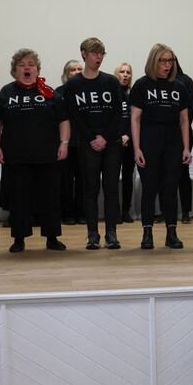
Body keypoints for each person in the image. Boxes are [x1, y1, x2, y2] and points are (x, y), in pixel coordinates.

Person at [0, 48, 69, 253]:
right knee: (19, 200)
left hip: (47, 156)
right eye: (22, 64)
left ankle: (52, 238)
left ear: (37, 69)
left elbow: (64, 120)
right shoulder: (5, 93)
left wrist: (64, 143)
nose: (27, 68)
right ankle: (19, 239)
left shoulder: (50, 93)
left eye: (31, 64)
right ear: (15, 70)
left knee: (49, 199)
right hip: (16, 157)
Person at [130, 43, 192, 249]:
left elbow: (185, 120)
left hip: (173, 143)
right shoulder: (141, 85)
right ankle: (147, 234)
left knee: (170, 188)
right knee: (149, 188)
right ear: (153, 62)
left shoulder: (179, 86)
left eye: (170, 61)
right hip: (149, 142)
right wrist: (137, 148)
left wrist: (186, 148)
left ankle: (171, 233)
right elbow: (135, 118)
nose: (167, 65)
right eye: (163, 61)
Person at [65, 38, 124, 249]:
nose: (98, 57)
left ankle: (111, 233)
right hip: (88, 144)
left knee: (110, 189)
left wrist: (105, 138)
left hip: (112, 143)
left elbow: (118, 113)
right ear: (83, 54)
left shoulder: (111, 82)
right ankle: (92, 234)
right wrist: (92, 138)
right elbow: (75, 116)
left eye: (101, 53)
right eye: (94, 53)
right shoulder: (73, 84)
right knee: (90, 189)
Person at [55, 59, 84, 226]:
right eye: (73, 69)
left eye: (80, 68)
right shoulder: (58, 93)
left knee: (83, 181)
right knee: (65, 181)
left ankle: (81, 213)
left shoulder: (87, 91)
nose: (77, 71)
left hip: (84, 143)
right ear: (66, 74)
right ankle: (67, 213)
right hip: (65, 143)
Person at [175, 57, 193, 224]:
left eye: (170, 60)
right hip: (163, 134)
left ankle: (185, 212)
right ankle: (166, 211)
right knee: (164, 175)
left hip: (183, 133)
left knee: (183, 174)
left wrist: (183, 121)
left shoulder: (185, 81)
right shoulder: (156, 80)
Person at [115, 62, 136, 223]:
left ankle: (126, 211)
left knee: (128, 178)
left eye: (128, 72)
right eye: (122, 72)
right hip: (114, 141)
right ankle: (114, 211)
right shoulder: (111, 93)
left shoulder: (134, 94)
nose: (125, 75)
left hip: (130, 143)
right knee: (112, 178)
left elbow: (136, 119)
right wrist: (119, 135)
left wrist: (128, 135)